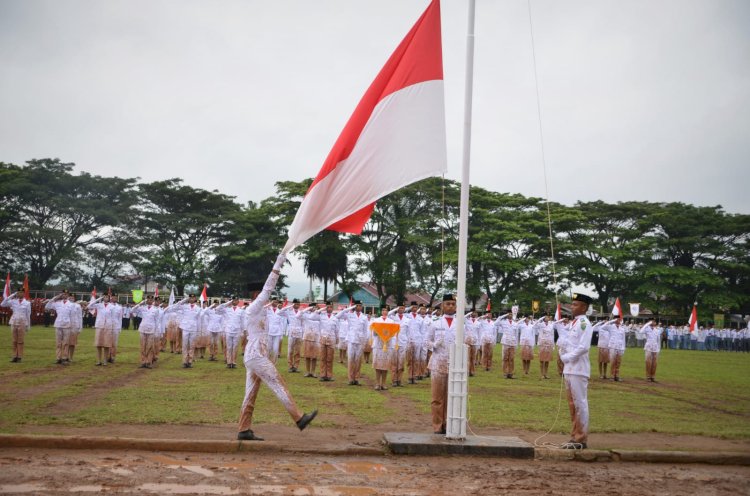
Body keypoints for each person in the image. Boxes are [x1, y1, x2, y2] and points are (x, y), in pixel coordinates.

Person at [237, 253, 317, 441]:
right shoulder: (254, 307)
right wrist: (278, 264)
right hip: (256, 355)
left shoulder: (259, 309)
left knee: (251, 393)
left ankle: (244, 429)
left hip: (255, 354)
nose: (266, 297)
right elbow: (268, 288)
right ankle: (299, 418)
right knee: (277, 383)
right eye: (262, 295)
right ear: (256, 295)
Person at [560, 293, 594, 450]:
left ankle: (581, 438)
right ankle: (575, 436)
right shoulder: (574, 323)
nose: (572, 307)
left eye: (575, 305)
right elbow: (569, 343)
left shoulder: (584, 324)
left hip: (578, 369)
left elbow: (583, 347)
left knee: (580, 404)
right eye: (572, 304)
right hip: (570, 369)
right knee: (572, 404)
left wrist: (567, 357)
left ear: (584, 307)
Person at [426, 294, 457, 435]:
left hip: (455, 363)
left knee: (453, 396)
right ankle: (437, 425)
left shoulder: (460, 324)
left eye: (453, 304)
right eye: (448, 304)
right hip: (438, 362)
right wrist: (434, 345)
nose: (450, 306)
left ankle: (449, 424)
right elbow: (426, 342)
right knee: (437, 397)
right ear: (442, 306)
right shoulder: (435, 323)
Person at [337, 300, 369, 386]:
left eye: (360, 306)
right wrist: (350, 308)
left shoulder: (364, 317)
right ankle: (351, 378)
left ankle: (357, 378)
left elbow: (366, 330)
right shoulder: (350, 315)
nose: (359, 307)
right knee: (351, 359)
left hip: (360, 340)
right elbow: (338, 316)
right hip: (351, 339)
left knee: (358, 360)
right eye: (357, 306)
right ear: (355, 307)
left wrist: (365, 341)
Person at [168, 293, 202, 368]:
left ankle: (190, 361)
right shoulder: (184, 306)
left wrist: (199, 331)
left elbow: (199, 320)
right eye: (190, 298)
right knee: (185, 345)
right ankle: (184, 361)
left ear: (195, 298)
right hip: (186, 328)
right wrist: (184, 300)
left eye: (193, 298)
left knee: (192, 345)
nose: (191, 299)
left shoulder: (198, 308)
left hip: (193, 328)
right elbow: (174, 307)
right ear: (188, 299)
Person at [45, 290, 76, 365]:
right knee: (58, 343)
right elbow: (47, 306)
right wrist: (56, 297)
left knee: (66, 343)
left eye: (66, 294)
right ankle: (58, 358)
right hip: (58, 324)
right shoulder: (57, 303)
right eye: (63, 294)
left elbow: (72, 316)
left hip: (67, 325)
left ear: (68, 295)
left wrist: (73, 327)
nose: (64, 295)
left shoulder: (71, 305)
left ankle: (65, 358)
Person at [370, 305, 396, 390]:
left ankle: (383, 383)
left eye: (386, 310)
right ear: (381, 311)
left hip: (387, 345)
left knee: (385, 365)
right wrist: (379, 331)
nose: (384, 312)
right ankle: (377, 383)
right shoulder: (376, 320)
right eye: (383, 310)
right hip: (378, 345)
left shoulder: (391, 321)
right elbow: (373, 333)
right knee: (378, 365)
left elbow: (393, 334)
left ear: (388, 311)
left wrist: (387, 333)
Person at [1, 290, 31, 362]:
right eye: (18, 292)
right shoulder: (13, 301)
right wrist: (12, 295)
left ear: (24, 293)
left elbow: (28, 314)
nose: (19, 294)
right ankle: (14, 356)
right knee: (14, 340)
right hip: (14, 321)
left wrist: (28, 325)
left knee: (20, 340)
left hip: (22, 322)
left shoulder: (27, 303)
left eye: (21, 292)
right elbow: (2, 304)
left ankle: (19, 357)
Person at [133, 294, 162, 368]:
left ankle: (149, 362)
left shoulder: (155, 310)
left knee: (149, 346)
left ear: (153, 301)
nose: (149, 301)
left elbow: (157, 321)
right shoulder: (143, 308)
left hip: (151, 330)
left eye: (151, 300)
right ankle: (143, 361)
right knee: (143, 346)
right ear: (146, 300)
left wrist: (155, 331)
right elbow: (132, 309)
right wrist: (141, 303)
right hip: (143, 329)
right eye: (148, 300)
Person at [216, 296, 244, 369]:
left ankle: (233, 362)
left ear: (238, 302)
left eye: (236, 300)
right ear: (232, 301)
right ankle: (229, 362)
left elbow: (242, 322)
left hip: (237, 330)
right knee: (229, 347)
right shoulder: (226, 309)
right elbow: (218, 309)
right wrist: (228, 303)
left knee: (235, 347)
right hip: (228, 330)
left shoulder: (241, 311)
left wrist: (242, 331)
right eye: (233, 300)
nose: (235, 301)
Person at [388, 303, 410, 386]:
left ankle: (399, 380)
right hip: (394, 341)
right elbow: (388, 313)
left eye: (403, 308)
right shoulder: (393, 318)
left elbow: (408, 332)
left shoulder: (407, 319)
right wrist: (395, 309)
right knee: (394, 362)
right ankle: (394, 380)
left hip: (403, 342)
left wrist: (407, 342)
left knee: (401, 362)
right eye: (400, 308)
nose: (401, 309)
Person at [88, 294, 114, 366]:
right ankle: (99, 360)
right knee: (98, 344)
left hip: (108, 326)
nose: (106, 298)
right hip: (99, 325)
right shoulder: (99, 305)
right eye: (104, 297)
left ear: (109, 298)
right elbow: (89, 306)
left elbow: (113, 317)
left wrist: (112, 327)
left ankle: (105, 360)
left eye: (107, 297)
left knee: (106, 345)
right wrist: (98, 299)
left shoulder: (112, 306)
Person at [316, 302, 339, 382]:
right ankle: (322, 375)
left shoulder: (335, 318)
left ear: (332, 308)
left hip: (331, 339)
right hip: (323, 338)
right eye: (328, 307)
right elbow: (313, 315)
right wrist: (323, 309)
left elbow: (337, 330)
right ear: (326, 308)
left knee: (330, 358)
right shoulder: (321, 316)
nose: (329, 309)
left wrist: (337, 340)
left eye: (330, 307)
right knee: (322, 357)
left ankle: (329, 375)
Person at [605, 317, 626, 382]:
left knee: (618, 362)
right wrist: (611, 321)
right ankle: (612, 376)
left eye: (620, 319)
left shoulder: (622, 329)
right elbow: (603, 326)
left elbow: (623, 339)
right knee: (613, 362)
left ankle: (616, 376)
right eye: (618, 319)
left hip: (619, 347)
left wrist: (623, 348)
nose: (619, 320)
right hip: (612, 346)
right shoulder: (611, 327)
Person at [535, 315, 555, 379]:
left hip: (549, 343)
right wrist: (541, 317)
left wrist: (553, 344)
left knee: (547, 360)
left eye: (548, 317)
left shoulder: (551, 325)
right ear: (544, 318)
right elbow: (536, 323)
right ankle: (542, 374)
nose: (548, 318)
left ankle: (546, 374)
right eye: (546, 317)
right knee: (542, 360)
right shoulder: (541, 324)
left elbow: (552, 334)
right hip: (542, 343)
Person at [498, 313, 516, 379]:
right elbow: (496, 322)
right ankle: (505, 373)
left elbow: (516, 334)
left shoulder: (515, 323)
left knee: (511, 359)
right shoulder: (503, 322)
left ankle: (510, 373)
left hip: (512, 342)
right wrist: (504, 315)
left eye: (511, 314)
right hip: (505, 342)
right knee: (505, 358)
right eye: (509, 314)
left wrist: (516, 344)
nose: (510, 316)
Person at [67, 295, 83, 362]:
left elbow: (80, 317)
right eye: (70, 297)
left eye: (72, 298)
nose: (71, 299)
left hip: (75, 325)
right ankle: (65, 356)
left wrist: (80, 327)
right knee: (66, 342)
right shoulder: (66, 305)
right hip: (66, 325)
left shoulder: (77, 306)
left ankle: (71, 357)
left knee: (72, 343)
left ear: (74, 299)